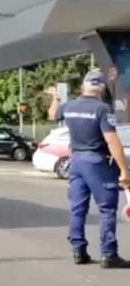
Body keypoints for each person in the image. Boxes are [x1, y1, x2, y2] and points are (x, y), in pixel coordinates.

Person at [55, 70, 130, 268]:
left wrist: (54, 97)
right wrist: (124, 170)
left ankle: (78, 251)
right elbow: (112, 141)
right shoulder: (102, 109)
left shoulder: (69, 106)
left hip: (76, 161)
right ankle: (109, 254)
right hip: (97, 162)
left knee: (77, 209)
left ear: (84, 86)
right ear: (102, 88)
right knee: (107, 209)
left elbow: (52, 113)